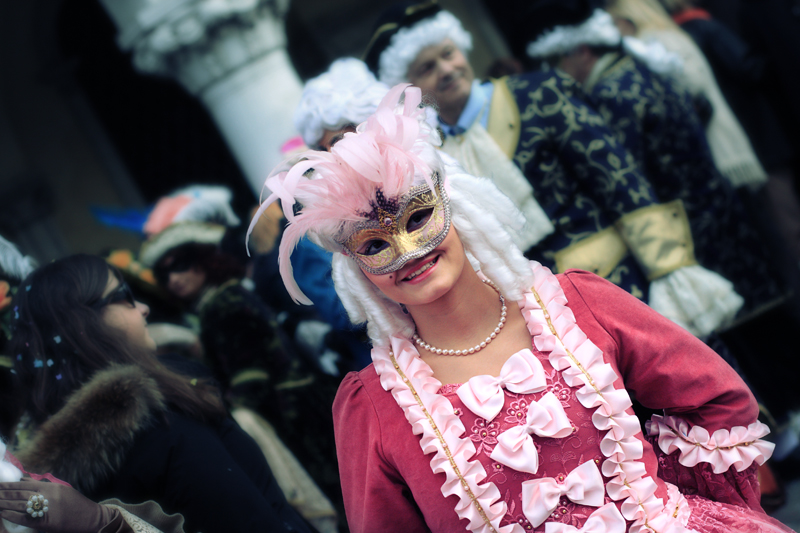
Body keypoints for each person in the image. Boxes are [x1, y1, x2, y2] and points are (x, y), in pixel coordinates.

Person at [251, 83, 795, 532]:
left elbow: (717, 400)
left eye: (418, 218)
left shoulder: (579, 304)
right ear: (352, 267)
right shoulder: (372, 410)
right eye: (374, 244)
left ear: (456, 205)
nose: (409, 251)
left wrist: (656, 505)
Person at [362, 1, 741, 339]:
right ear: (410, 86)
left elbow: (619, 180)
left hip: (619, 280)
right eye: (427, 68)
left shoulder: (540, 92)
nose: (446, 69)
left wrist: (668, 269)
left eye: (448, 54)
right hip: (540, 312)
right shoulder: (429, 151)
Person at [9, 254, 315, 533]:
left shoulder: (64, 467)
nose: (144, 308)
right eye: (124, 297)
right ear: (85, 322)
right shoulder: (158, 427)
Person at [139, 221, 343, 527]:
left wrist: (219, 414)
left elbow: (252, 375)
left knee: (337, 502)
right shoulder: (218, 301)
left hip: (291, 417)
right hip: (290, 411)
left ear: (203, 259)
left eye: (181, 265)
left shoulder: (224, 301)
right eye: (164, 274)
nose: (174, 279)